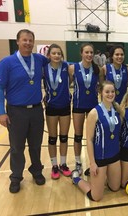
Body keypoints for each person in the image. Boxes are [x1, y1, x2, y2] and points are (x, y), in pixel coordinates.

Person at [0, 29, 48, 193]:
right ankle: (16, 177)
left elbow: (57, 63)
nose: (28, 43)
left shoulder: (39, 59)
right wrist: (1, 112)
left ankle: (36, 171)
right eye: (24, 40)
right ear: (17, 41)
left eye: (31, 40)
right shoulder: (6, 62)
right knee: (17, 147)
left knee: (36, 145)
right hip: (16, 112)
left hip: (37, 111)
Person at [72, 81, 122, 201]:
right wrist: (92, 163)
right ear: (101, 93)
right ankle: (76, 179)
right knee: (96, 197)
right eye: (107, 92)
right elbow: (89, 140)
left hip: (114, 155)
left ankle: (102, 178)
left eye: (112, 92)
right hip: (100, 157)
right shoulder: (94, 113)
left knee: (115, 188)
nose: (110, 94)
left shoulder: (117, 109)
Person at [69, 43, 102, 175]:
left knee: (92, 136)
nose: (89, 55)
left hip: (93, 106)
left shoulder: (97, 69)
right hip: (78, 105)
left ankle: (91, 163)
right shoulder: (73, 68)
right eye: (86, 52)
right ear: (81, 53)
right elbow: (66, 84)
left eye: (91, 52)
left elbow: (101, 86)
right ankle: (78, 163)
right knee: (78, 135)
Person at [43, 44, 72, 179]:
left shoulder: (66, 66)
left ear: (62, 55)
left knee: (64, 137)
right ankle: (54, 165)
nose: (56, 56)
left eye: (59, 53)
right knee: (52, 138)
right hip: (51, 107)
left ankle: (63, 164)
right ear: (49, 55)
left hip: (65, 106)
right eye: (53, 53)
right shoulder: (44, 68)